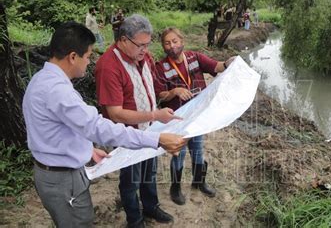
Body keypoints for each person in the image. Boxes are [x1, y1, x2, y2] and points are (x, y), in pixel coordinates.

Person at [22, 21, 186, 228]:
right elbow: (99, 126)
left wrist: (87, 149)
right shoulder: (59, 90)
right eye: (88, 56)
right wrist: (157, 139)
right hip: (63, 179)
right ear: (73, 57)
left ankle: (150, 207)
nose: (89, 62)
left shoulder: (41, 80)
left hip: (60, 172)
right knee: (79, 222)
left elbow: (53, 128)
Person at [95, 14, 177, 228]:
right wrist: (155, 115)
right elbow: (115, 114)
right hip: (126, 136)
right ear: (123, 40)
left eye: (148, 45)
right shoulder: (108, 66)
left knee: (149, 171)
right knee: (131, 179)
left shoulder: (144, 57)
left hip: (150, 129)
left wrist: (160, 109)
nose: (145, 50)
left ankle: (151, 207)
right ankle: (135, 219)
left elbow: (152, 88)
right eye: (140, 45)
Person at [155, 27, 235, 205]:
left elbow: (217, 66)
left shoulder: (195, 57)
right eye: (167, 43)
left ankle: (199, 182)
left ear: (182, 41)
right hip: (178, 120)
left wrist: (229, 62)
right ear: (163, 46)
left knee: (198, 152)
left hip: (198, 117)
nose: (172, 45)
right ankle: (175, 188)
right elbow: (160, 94)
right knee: (179, 154)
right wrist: (174, 91)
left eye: (175, 41)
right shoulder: (160, 67)